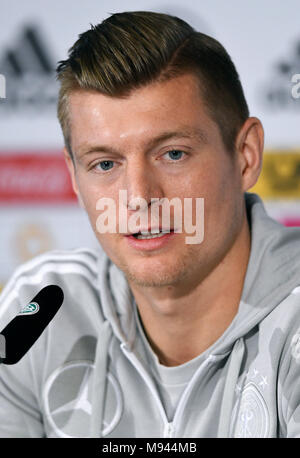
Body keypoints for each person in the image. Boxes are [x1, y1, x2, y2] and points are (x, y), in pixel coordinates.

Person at [0, 10, 300, 439]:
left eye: (173, 154)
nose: (139, 196)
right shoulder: (43, 316)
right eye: (105, 163)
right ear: (73, 177)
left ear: (246, 156)